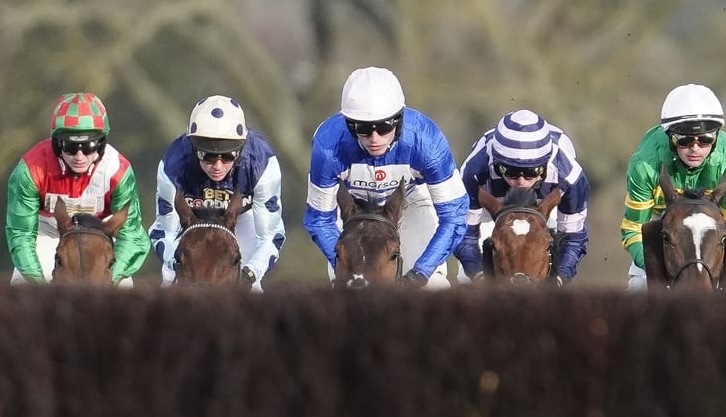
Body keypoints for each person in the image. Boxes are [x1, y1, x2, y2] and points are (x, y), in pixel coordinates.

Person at [304, 66, 469, 289]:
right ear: (349, 125)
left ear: (399, 119)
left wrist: (420, 274)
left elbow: (454, 216)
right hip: (353, 210)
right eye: (363, 129)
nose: (374, 138)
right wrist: (346, 261)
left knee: (433, 287)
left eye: (384, 127)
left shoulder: (427, 141)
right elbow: (319, 219)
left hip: (411, 201)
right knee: (345, 286)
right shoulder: (327, 146)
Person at [6, 92, 150, 286]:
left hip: (99, 236)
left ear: (101, 144)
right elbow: (21, 235)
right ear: (57, 144)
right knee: (22, 288)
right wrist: (39, 288)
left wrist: (109, 280)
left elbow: (132, 237)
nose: (80, 156)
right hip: (47, 235)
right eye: (71, 147)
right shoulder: (30, 170)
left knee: (125, 293)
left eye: (89, 146)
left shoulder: (118, 171)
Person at [621, 83, 726, 290]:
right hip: (663, 222)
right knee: (639, 287)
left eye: (705, 140)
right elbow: (634, 230)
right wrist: (658, 267)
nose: (695, 148)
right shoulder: (644, 165)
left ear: (716, 137)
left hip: (713, 233)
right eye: (684, 140)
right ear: (670, 137)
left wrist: (710, 267)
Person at [149, 95, 285, 291]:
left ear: (240, 149)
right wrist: (175, 263)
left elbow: (270, 235)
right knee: (169, 278)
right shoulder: (173, 165)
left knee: (254, 289)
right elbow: (164, 231)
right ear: (194, 148)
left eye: (228, 156)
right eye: (208, 157)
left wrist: (249, 274)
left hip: (244, 216)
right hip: (192, 216)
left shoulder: (261, 163)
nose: (218, 167)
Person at [453, 109, 590, 286]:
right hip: (487, 205)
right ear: (496, 162)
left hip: (548, 203)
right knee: (468, 281)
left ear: (545, 165)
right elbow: (464, 236)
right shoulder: (472, 173)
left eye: (532, 172)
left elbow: (573, 238)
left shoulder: (570, 177)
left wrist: (558, 279)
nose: (521, 182)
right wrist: (478, 276)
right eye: (510, 172)